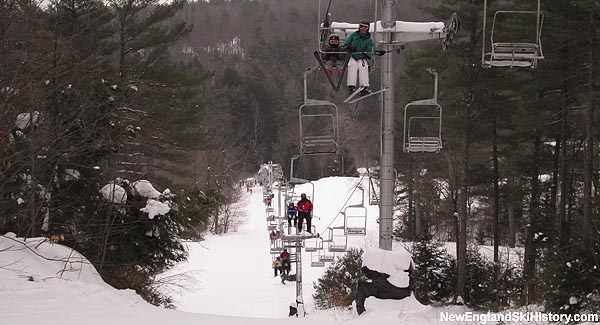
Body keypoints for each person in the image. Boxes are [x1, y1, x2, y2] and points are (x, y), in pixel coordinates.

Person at [342, 21, 374, 97]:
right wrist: (349, 48)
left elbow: (369, 51)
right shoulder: (354, 35)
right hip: (351, 56)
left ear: (367, 28)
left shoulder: (369, 40)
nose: (363, 29)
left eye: (365, 27)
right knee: (352, 65)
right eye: (361, 26)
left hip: (361, 57)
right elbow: (345, 45)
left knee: (363, 66)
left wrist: (366, 54)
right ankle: (351, 86)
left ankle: (364, 87)